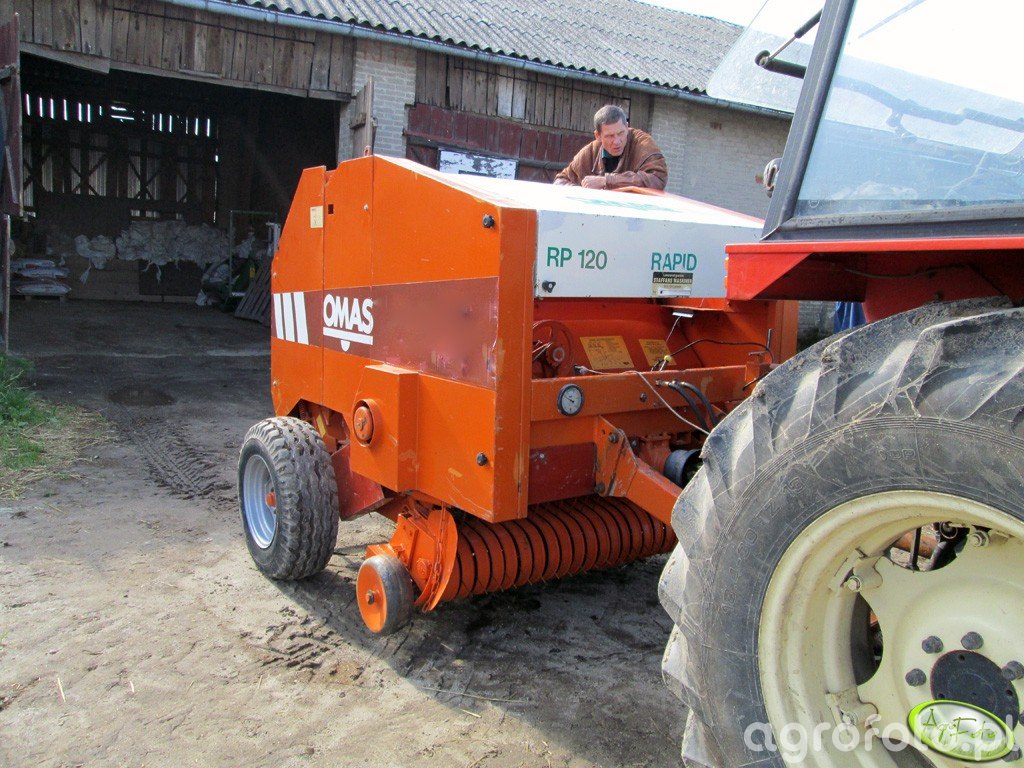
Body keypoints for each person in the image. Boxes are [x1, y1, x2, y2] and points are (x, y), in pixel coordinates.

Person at [554, 105, 668, 190]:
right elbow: (560, 181)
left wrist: (607, 181)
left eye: (621, 133)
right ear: (598, 136)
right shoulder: (590, 152)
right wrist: (584, 193)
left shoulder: (643, 143)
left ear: (627, 127)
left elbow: (658, 178)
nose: (617, 141)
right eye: (610, 136)